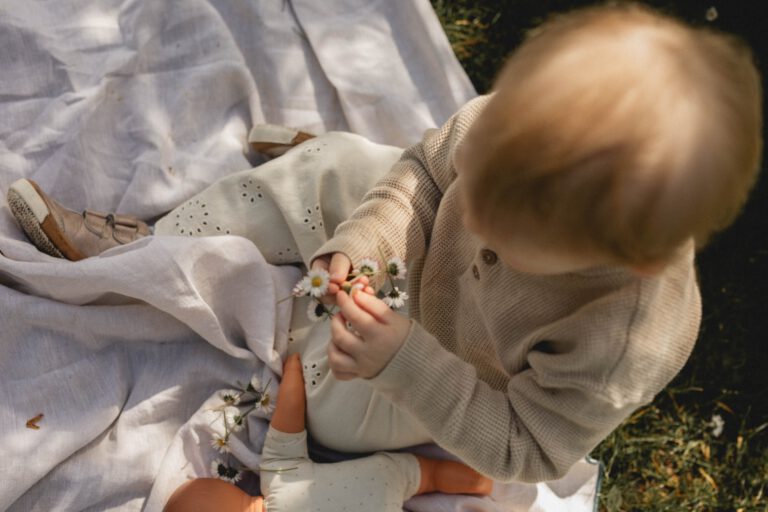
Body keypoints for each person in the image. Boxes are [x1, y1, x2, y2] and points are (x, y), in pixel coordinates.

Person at [5, 1, 762, 486]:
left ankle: (310, 310)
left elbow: (527, 449)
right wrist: (367, 237)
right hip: (407, 252)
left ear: (631, 258)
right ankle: (153, 243)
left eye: (513, 230)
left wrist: (409, 362)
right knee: (335, 170)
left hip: (448, 379)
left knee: (331, 402)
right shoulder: (512, 127)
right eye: (486, 183)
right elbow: (427, 177)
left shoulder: (620, 340)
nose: (483, 220)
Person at [163, 353, 492, 511]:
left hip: (383, 489)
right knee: (430, 474)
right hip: (382, 478)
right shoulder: (277, 476)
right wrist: (293, 370)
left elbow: (286, 425)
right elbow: (287, 420)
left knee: (425, 476)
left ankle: (479, 482)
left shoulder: (276, 478)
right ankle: (481, 480)